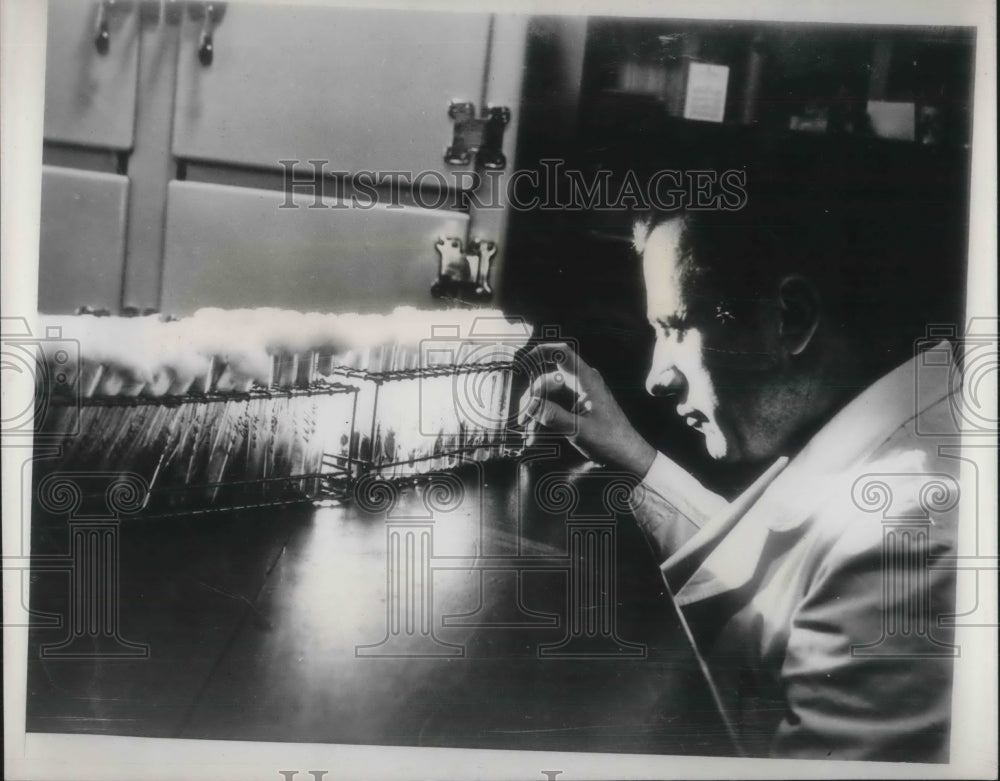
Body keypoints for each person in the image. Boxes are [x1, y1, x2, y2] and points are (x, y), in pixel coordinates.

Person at [517, 148, 965, 761]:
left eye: (676, 326)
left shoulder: (905, 534)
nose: (656, 377)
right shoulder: (885, 448)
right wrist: (635, 457)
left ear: (791, 319)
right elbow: (776, 571)